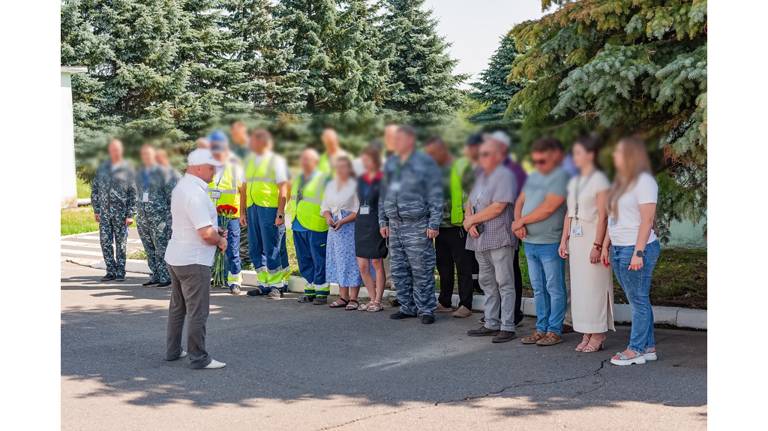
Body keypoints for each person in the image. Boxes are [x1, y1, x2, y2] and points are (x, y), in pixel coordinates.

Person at [164, 148, 228, 370]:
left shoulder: (183, 187)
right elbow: (205, 234)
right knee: (198, 311)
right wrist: (220, 240)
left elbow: (192, 224)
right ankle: (199, 357)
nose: (213, 173)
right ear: (199, 167)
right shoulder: (195, 193)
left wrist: (214, 230)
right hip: (194, 259)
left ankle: (173, 350)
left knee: (178, 307)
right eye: (211, 168)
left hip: (177, 255)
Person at [603, 137, 661, 366]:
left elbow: (647, 220)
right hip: (619, 246)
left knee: (638, 300)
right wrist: (606, 245)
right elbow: (612, 218)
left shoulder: (644, 181)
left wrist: (638, 253)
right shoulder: (620, 182)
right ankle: (648, 347)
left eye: (618, 152)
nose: (614, 156)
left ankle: (635, 349)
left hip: (637, 247)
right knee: (638, 299)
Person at [379, 126, 443, 324]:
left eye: (399, 139)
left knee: (421, 269)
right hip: (395, 226)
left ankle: (426, 309)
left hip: (418, 225)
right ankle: (407, 306)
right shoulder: (391, 163)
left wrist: (433, 223)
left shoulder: (424, 163)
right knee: (399, 269)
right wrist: (383, 220)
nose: (395, 143)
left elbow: (436, 194)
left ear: (410, 140)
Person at [558, 135, 614, 353]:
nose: (575, 157)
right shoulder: (574, 181)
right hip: (576, 239)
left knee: (594, 287)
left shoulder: (600, 180)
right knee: (580, 289)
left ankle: (598, 332)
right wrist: (564, 239)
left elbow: (604, 216)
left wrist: (598, 245)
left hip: (592, 237)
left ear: (591, 155)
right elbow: (569, 214)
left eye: (579, 153)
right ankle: (586, 331)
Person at [512, 137, 569, 346]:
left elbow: (549, 207)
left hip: (550, 241)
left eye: (542, 160)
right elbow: (520, 200)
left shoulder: (561, 177)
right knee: (538, 288)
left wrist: (521, 222)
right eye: (535, 161)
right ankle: (541, 328)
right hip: (530, 242)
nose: (538, 165)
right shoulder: (533, 176)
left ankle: (554, 330)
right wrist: (518, 222)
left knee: (554, 287)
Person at [464, 139, 519, 343]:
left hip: (499, 236)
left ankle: (507, 326)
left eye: (486, 154)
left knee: (504, 282)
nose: (482, 158)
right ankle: (491, 322)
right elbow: (469, 202)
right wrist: (469, 222)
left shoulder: (504, 176)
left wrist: (472, 220)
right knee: (486, 281)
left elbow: (498, 207)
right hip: (479, 238)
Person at [423, 136, 477, 318]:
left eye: (432, 154)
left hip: (458, 225)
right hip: (440, 226)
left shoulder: (461, 167)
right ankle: (445, 301)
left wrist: (469, 218)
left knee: (463, 266)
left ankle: (465, 304)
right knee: (443, 266)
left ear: (442, 150)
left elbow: (473, 193)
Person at [241, 129, 291, 298]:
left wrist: (280, 213)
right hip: (252, 207)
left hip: (269, 208)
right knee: (255, 248)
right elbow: (244, 189)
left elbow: (283, 188)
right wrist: (242, 212)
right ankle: (264, 284)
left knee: (272, 247)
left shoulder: (275, 161)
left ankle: (277, 285)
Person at [484, 130, 526, 324]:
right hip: (492, 232)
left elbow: (516, 199)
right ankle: (498, 314)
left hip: (508, 228)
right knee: (496, 277)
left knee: (509, 274)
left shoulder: (512, 169)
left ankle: (513, 315)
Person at [91, 138, 137, 282]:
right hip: (104, 214)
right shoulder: (102, 168)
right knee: (105, 242)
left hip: (121, 214)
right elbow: (95, 190)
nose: (114, 152)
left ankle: (120, 272)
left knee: (121, 244)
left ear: (121, 151)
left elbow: (133, 192)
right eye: (112, 149)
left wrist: (130, 214)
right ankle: (110, 270)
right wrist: (96, 210)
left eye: (117, 149)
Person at [289, 149, 330, 304]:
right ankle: (310, 287)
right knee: (304, 258)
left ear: (316, 162)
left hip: (316, 223)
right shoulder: (299, 178)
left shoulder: (323, 179)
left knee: (318, 257)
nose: (304, 162)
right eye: (303, 159)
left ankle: (321, 290)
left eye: (308, 159)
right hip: (298, 223)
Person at [322, 156, 363, 309]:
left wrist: (343, 221)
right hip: (334, 228)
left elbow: (357, 210)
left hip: (349, 227)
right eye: (338, 167)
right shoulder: (331, 185)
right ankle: (342, 296)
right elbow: (324, 206)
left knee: (351, 261)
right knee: (338, 260)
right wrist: (328, 217)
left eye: (344, 167)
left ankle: (354, 298)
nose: (340, 170)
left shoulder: (354, 186)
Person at [208, 131, 245, 295]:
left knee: (232, 248)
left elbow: (243, 191)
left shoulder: (235, 166)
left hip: (231, 214)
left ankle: (234, 281)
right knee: (212, 248)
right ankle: (218, 278)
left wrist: (242, 212)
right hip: (212, 215)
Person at [135, 144, 174, 287]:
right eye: (143, 154)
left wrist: (170, 219)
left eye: (149, 154)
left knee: (161, 248)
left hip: (160, 218)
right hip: (143, 218)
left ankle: (166, 276)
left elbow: (172, 197)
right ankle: (155, 275)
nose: (146, 157)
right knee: (149, 248)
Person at [355, 146, 388, 312]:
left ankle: (378, 300)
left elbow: (384, 202)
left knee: (376, 261)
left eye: (368, 159)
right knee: (362, 265)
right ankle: (370, 297)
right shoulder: (361, 179)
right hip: (361, 221)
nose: (365, 162)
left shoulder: (383, 179)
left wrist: (384, 223)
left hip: (376, 221)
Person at [228, 121, 252, 270]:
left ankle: (247, 259)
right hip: (238, 195)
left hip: (251, 193)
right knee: (242, 228)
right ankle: (243, 259)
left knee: (247, 229)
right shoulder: (234, 150)